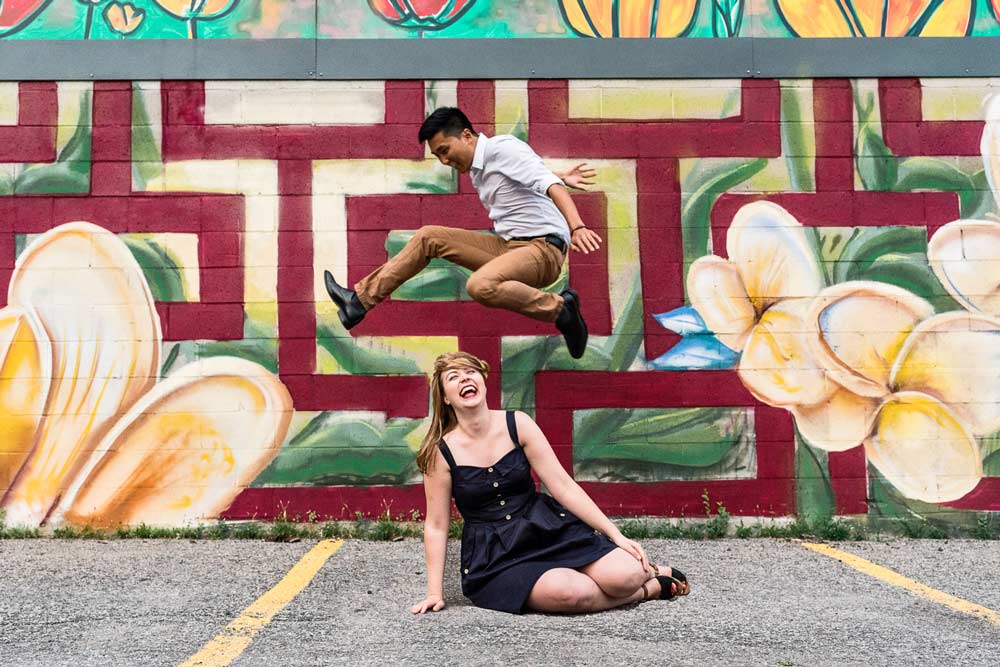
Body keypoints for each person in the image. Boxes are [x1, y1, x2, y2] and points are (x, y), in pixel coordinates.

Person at [410, 351, 691, 615]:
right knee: (573, 593)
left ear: (483, 381)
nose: (465, 379)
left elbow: (563, 486)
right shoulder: (440, 452)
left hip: (546, 529)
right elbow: (436, 525)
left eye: (471, 372)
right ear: (445, 397)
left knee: (626, 574)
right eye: (454, 377)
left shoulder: (517, 424)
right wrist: (435, 592)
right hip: (497, 558)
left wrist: (616, 535)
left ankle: (645, 573)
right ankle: (648, 590)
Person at [323, 107, 602, 359]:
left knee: (480, 285)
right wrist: (558, 173)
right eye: (438, 156)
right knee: (428, 236)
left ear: (467, 135)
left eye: (445, 150)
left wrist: (577, 226)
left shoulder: (501, 148)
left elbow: (550, 185)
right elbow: (528, 174)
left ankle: (561, 309)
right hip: (511, 249)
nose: (444, 161)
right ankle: (358, 302)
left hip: (543, 250)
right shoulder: (481, 167)